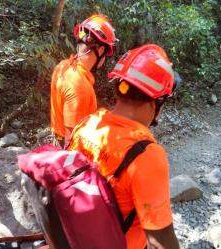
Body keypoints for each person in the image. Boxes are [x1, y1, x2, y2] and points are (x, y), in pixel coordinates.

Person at [67, 44, 180, 249]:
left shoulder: (87, 124)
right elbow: (160, 241)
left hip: (73, 239)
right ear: (158, 101)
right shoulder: (146, 155)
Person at [50, 14, 117, 147]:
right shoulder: (79, 86)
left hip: (58, 139)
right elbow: (72, 142)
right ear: (101, 49)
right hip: (69, 149)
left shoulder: (63, 66)